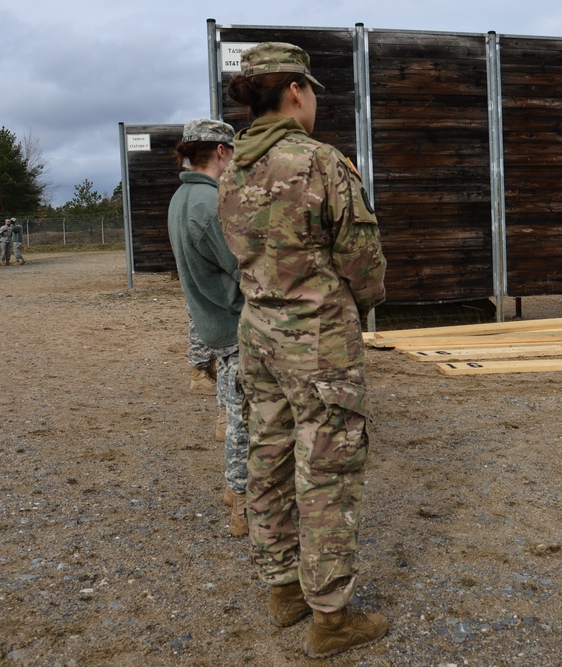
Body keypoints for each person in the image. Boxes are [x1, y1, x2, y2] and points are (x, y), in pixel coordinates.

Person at [218, 42, 388, 658]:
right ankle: (331, 620)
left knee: (267, 457)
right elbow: (362, 261)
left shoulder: (233, 165)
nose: (314, 101)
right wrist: (363, 299)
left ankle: (283, 591)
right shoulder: (320, 162)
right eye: (312, 91)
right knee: (328, 471)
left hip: (256, 333)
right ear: (295, 90)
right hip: (317, 341)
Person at [167, 118, 249, 538]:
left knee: (231, 406)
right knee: (245, 421)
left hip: (212, 323)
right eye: (231, 151)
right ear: (221, 152)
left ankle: (235, 497)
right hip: (235, 323)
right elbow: (243, 265)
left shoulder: (181, 198)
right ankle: (242, 504)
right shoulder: (209, 203)